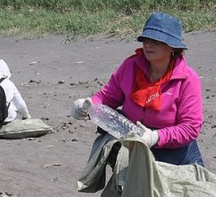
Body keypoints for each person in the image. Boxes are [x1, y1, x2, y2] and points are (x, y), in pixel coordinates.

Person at [71, 12, 205, 166]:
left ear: (172, 48)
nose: (148, 44)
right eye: (146, 39)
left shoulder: (188, 79)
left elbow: (190, 128)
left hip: (176, 154)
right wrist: (87, 105)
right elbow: (107, 97)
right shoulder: (130, 66)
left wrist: (155, 137)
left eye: (156, 41)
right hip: (133, 144)